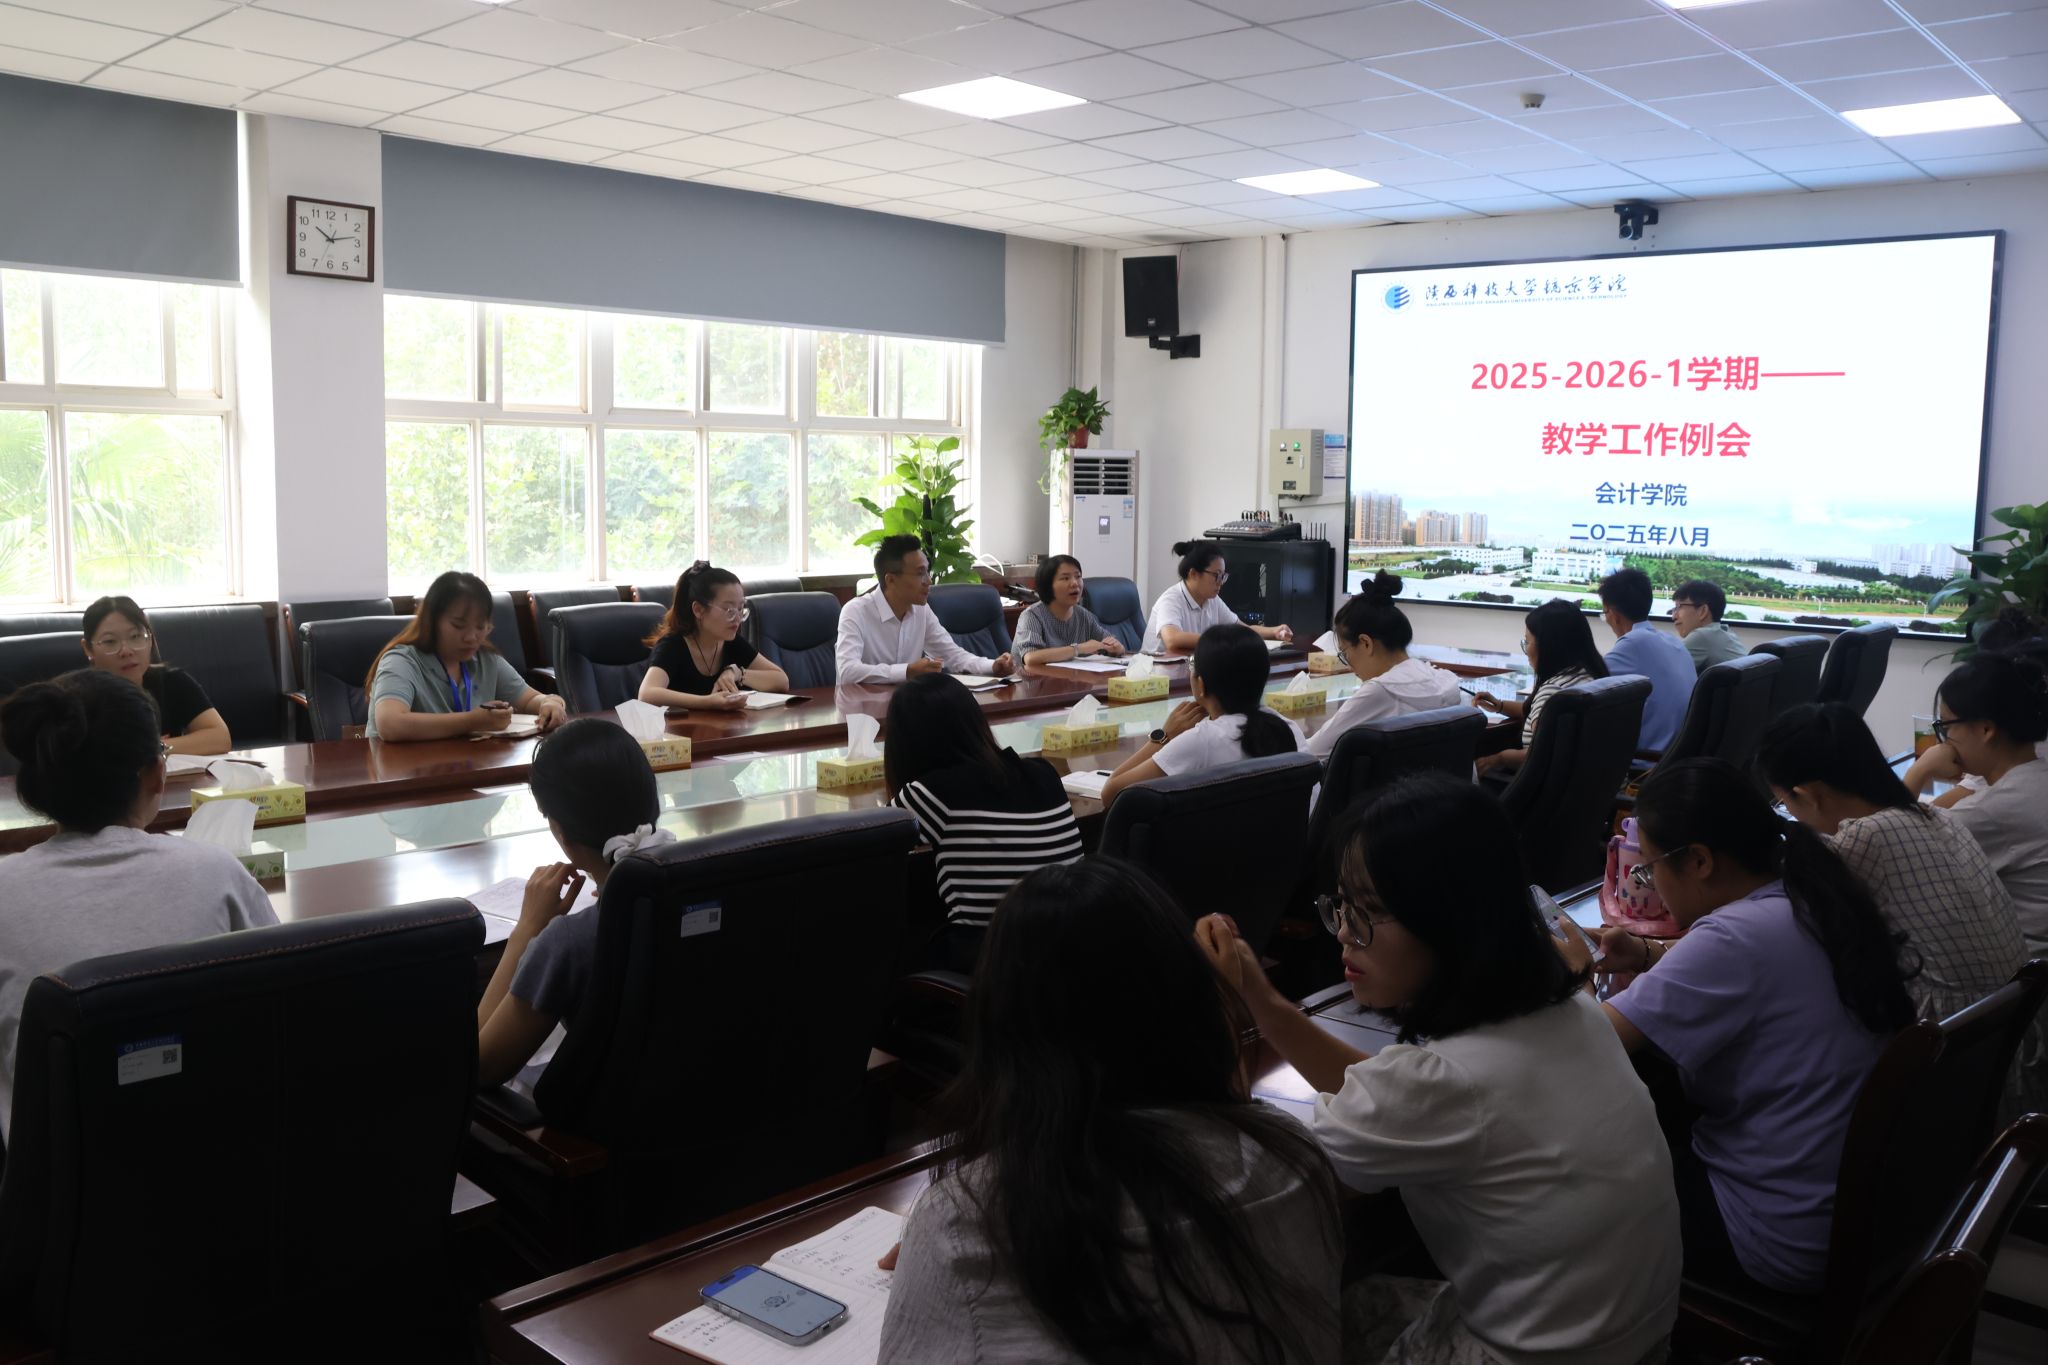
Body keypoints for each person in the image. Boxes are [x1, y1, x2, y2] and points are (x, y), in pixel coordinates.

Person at [1196, 774, 1679, 1365]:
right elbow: (1390, 1097)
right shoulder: (1572, 1011)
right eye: (1341, 905)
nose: (1344, 931)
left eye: (1370, 911)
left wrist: (1220, 1030)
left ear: (1453, 919)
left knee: (1282, 1329)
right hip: (1636, 1342)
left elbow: (1268, 1186)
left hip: (1537, 1355)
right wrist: (1263, 1002)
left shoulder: (1444, 1083)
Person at [879, 859, 1343, 1364]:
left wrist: (944, 1241)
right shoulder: (1295, 1154)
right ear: (1189, 997)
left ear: (1001, 1034)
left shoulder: (962, 1231)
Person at [1570, 759, 1916, 1294]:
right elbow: (1744, 966)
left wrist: (1575, 978)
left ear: (1699, 861)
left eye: (1649, 870)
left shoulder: (1732, 938)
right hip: (1871, 1213)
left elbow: (1584, 1046)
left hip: (1776, 1233)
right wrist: (1646, 951)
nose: (1653, 885)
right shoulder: (1809, 895)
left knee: (1572, 1186)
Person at [0, 670, 277, 1133]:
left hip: (51, 1172)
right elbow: (281, 1007)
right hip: (215, 1155)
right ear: (155, 775)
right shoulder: (217, 873)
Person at [1759, 702, 2045, 1116]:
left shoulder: (1860, 841)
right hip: (2011, 1042)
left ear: (1806, 795)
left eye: (1784, 801)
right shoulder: (1936, 818)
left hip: (1948, 1061)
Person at [477, 719, 674, 1086]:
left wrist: (527, 929)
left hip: (590, 1120)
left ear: (561, 831)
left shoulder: (568, 941)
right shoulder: (706, 886)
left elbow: (479, 1067)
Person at [884, 674, 1084, 972]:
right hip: (1072, 950)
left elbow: (873, 836)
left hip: (995, 962)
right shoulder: (1044, 773)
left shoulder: (932, 793)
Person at [1902, 652, 2048, 956]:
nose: (1943, 741)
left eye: (1946, 727)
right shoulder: (2034, 775)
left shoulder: (1991, 811)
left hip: (2020, 970)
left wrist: (1920, 770)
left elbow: (1891, 842)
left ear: (1985, 730)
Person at [1101, 623, 1303, 804]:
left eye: (1192, 665)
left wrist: (1163, 737)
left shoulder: (1201, 740)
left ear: (1201, 685)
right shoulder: (1288, 728)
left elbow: (1111, 792)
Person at [367, 572, 567, 741]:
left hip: (465, 764)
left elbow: (529, 699)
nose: (471, 637)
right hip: (399, 769)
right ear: (431, 622)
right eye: (458, 625)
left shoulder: (485, 659)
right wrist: (473, 721)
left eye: (480, 627)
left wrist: (550, 703)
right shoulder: (401, 661)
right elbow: (390, 724)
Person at [1306, 571, 1461, 761]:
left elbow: (1311, 752)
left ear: (1366, 643)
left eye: (1345, 654)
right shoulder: (1445, 680)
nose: (1350, 667)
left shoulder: (1379, 692)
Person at [835, 535, 1015, 684]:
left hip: (907, 708)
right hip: (862, 711)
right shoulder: (855, 612)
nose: (928, 580)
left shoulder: (921, 610)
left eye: (927, 571)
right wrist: (907, 671)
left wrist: (993, 666)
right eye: (920, 573)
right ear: (891, 580)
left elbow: (952, 655)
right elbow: (848, 671)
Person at [1473, 598, 1608, 778]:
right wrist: (1500, 706)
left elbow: (1543, 754)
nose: (1526, 650)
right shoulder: (1590, 676)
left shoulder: (1554, 690)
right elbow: (1547, 714)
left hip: (1547, 793)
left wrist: (1499, 759)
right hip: (1592, 788)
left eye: (1527, 642)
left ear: (1548, 646)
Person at [77, 595, 231, 755]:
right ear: (88, 649)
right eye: (110, 641)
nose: (126, 651)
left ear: (150, 639)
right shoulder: (76, 699)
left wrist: (155, 747)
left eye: (135, 636)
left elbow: (220, 737)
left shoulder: (172, 682)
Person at [637, 561, 790, 710]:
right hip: (677, 727)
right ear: (699, 610)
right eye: (729, 610)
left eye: (740, 608)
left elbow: (781, 680)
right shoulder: (673, 644)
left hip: (721, 726)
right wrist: (707, 702)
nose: (737, 618)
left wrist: (738, 673)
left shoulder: (730, 641)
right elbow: (646, 694)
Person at [1598, 567, 1697, 751]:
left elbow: (1588, 686)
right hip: (1676, 755)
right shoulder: (1672, 642)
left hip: (1646, 761)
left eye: (1604, 614)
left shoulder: (1633, 643)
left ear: (1614, 615)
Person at [1141, 541, 1293, 653]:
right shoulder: (1172, 599)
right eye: (1216, 576)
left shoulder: (1212, 600)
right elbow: (1172, 639)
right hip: (1155, 675)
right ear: (1193, 574)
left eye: (1223, 576)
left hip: (1188, 669)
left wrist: (1274, 632)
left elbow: (1242, 630)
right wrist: (1220, 641)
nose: (1221, 582)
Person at [1011, 555, 1125, 666]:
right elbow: (1031, 658)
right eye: (1065, 578)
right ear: (1048, 585)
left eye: (1078, 576)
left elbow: (1109, 642)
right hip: (1033, 679)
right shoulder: (1032, 615)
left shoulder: (1083, 615)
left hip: (1071, 677)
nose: (1075, 583)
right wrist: (1078, 649)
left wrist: (1116, 648)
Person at [1671, 579, 1744, 673]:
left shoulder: (1701, 636)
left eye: (1679, 607)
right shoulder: (1724, 632)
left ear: (1703, 611)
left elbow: (1665, 672)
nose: (1674, 616)